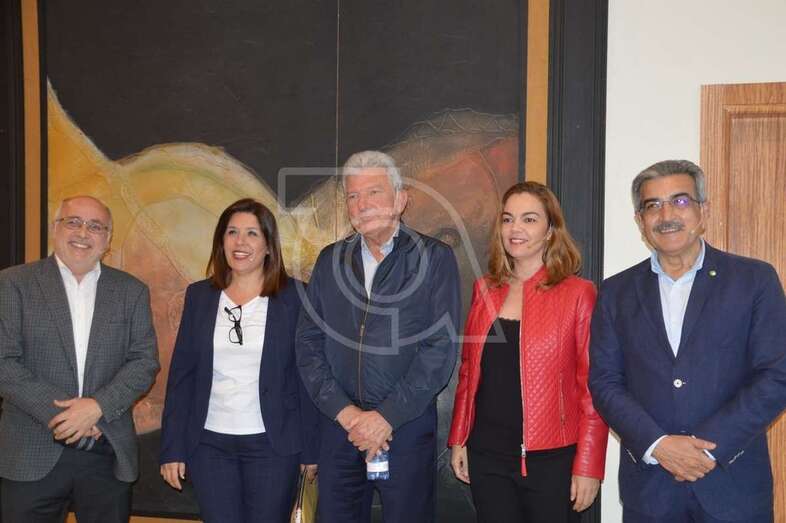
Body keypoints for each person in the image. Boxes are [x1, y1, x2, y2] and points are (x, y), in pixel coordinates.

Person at [589, 160, 786, 522]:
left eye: (680, 201)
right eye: (653, 205)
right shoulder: (615, 292)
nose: (666, 215)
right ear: (640, 220)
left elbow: (777, 375)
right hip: (651, 490)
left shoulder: (754, 280)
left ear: (703, 211)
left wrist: (706, 450)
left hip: (734, 485)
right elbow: (604, 382)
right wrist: (659, 445)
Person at [296, 150, 461, 523]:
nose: (362, 204)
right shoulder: (330, 261)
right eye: (353, 196)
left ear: (401, 200)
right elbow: (308, 344)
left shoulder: (434, 258)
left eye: (373, 192)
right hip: (340, 430)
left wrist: (385, 416)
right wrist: (346, 414)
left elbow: (439, 349)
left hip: (403, 428)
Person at [448, 181, 608, 522]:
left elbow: (593, 387)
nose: (515, 228)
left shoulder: (579, 293)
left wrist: (589, 465)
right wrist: (459, 438)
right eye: (508, 219)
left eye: (529, 219)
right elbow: (469, 371)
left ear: (550, 230)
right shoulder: (484, 289)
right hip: (487, 456)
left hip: (553, 461)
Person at [0, 195, 160, 522]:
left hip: (106, 450)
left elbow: (144, 362)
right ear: (55, 228)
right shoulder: (13, 283)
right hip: (30, 451)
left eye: (95, 226)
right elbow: (4, 362)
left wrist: (97, 408)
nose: (83, 233)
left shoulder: (131, 291)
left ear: (108, 239)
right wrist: (68, 416)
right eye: (73, 222)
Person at [159, 198, 319, 523]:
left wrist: (311, 450)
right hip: (209, 445)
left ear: (269, 246)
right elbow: (182, 377)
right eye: (232, 232)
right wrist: (172, 448)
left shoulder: (297, 297)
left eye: (252, 233)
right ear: (221, 241)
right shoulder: (200, 296)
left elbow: (308, 378)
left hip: (274, 446)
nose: (240, 242)